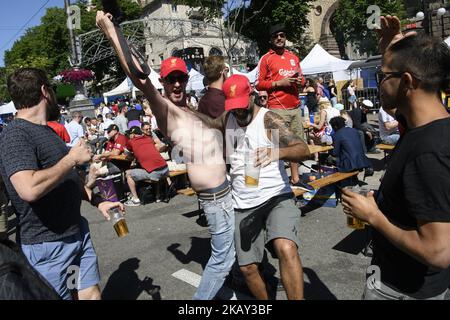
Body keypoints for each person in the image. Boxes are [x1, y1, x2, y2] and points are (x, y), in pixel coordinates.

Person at [97, 11, 235, 301]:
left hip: (228, 192)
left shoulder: (192, 108)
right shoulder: (166, 111)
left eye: (180, 79)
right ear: (163, 81)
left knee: (231, 256)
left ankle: (230, 296)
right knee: (222, 261)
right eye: (170, 79)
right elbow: (139, 79)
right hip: (214, 200)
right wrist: (111, 31)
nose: (176, 84)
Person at [342, 17, 450, 300]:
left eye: (383, 76)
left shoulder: (429, 152)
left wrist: (374, 217)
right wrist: (389, 43)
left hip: (402, 292)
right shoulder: (426, 125)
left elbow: (438, 252)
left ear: (406, 82)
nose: (378, 84)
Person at [0, 68, 124, 299]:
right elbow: (28, 188)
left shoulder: (46, 131)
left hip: (76, 235)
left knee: (89, 295)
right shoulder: (16, 134)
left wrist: (97, 201)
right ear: (44, 91)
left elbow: (66, 179)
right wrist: (71, 159)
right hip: (48, 246)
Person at [220, 74, 310, 300]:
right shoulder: (228, 119)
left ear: (251, 96)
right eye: (233, 108)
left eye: (241, 106)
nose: (238, 112)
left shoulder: (269, 119)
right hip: (243, 202)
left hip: (275, 196)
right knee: (247, 268)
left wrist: (276, 152)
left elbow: (303, 149)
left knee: (286, 247)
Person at [255, 23, 305, 185]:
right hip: (277, 109)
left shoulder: (293, 57)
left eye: (282, 35)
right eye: (276, 36)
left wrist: (299, 82)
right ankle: (279, 181)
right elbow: (258, 84)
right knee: (278, 147)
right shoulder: (266, 58)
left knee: (296, 144)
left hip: (296, 108)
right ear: (271, 39)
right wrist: (278, 83)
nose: (279, 38)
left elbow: (302, 79)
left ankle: (295, 178)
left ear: (285, 38)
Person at [124, 126, 169, 206]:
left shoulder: (131, 141)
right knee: (151, 168)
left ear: (133, 135)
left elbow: (128, 154)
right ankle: (157, 196)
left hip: (155, 173)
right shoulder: (149, 139)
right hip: (166, 169)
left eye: (129, 134)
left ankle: (135, 199)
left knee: (128, 173)